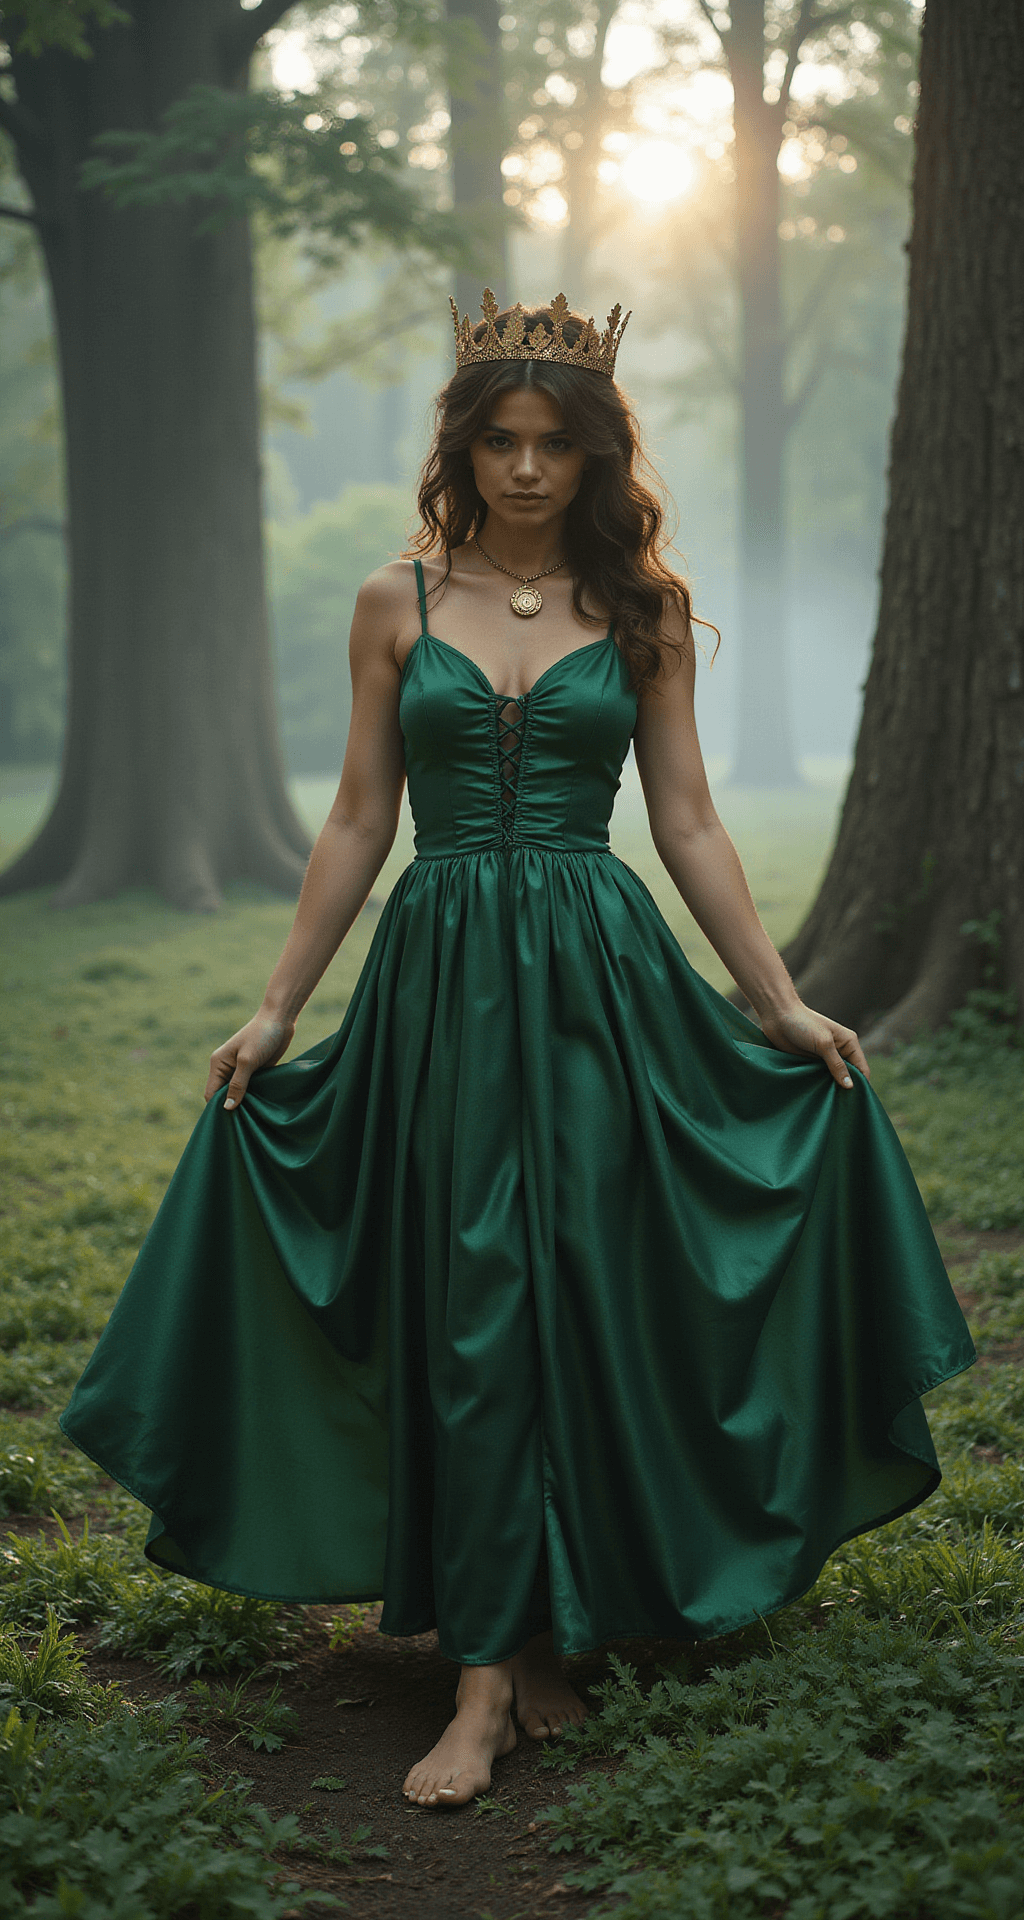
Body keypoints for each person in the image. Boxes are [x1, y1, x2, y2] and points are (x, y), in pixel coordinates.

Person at [61, 289, 974, 1811]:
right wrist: (279, 1007)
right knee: (476, 1302)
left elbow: (688, 819)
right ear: (464, 449)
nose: (530, 468)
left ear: (598, 453)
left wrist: (774, 1002)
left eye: (558, 442)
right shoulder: (397, 602)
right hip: (441, 988)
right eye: (502, 441)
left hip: (599, 985)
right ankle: (484, 1676)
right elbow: (359, 817)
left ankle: (546, 1621)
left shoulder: (644, 610)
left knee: (580, 1289)